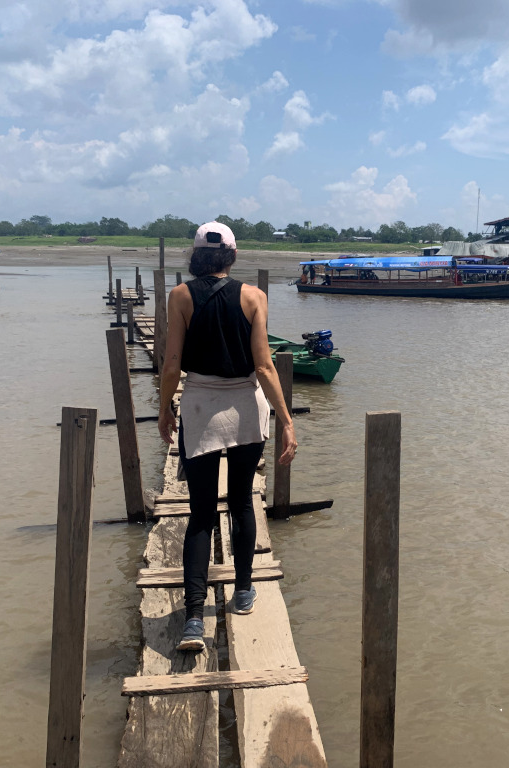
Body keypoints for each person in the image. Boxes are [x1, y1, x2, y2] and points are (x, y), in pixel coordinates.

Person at [158, 221, 297, 653]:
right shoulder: (254, 297)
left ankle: (194, 618)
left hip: (200, 408)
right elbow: (264, 366)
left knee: (200, 514)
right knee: (241, 501)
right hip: (245, 410)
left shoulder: (180, 296)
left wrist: (164, 408)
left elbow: (172, 363)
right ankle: (242, 591)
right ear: (232, 257)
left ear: (196, 257)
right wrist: (286, 419)